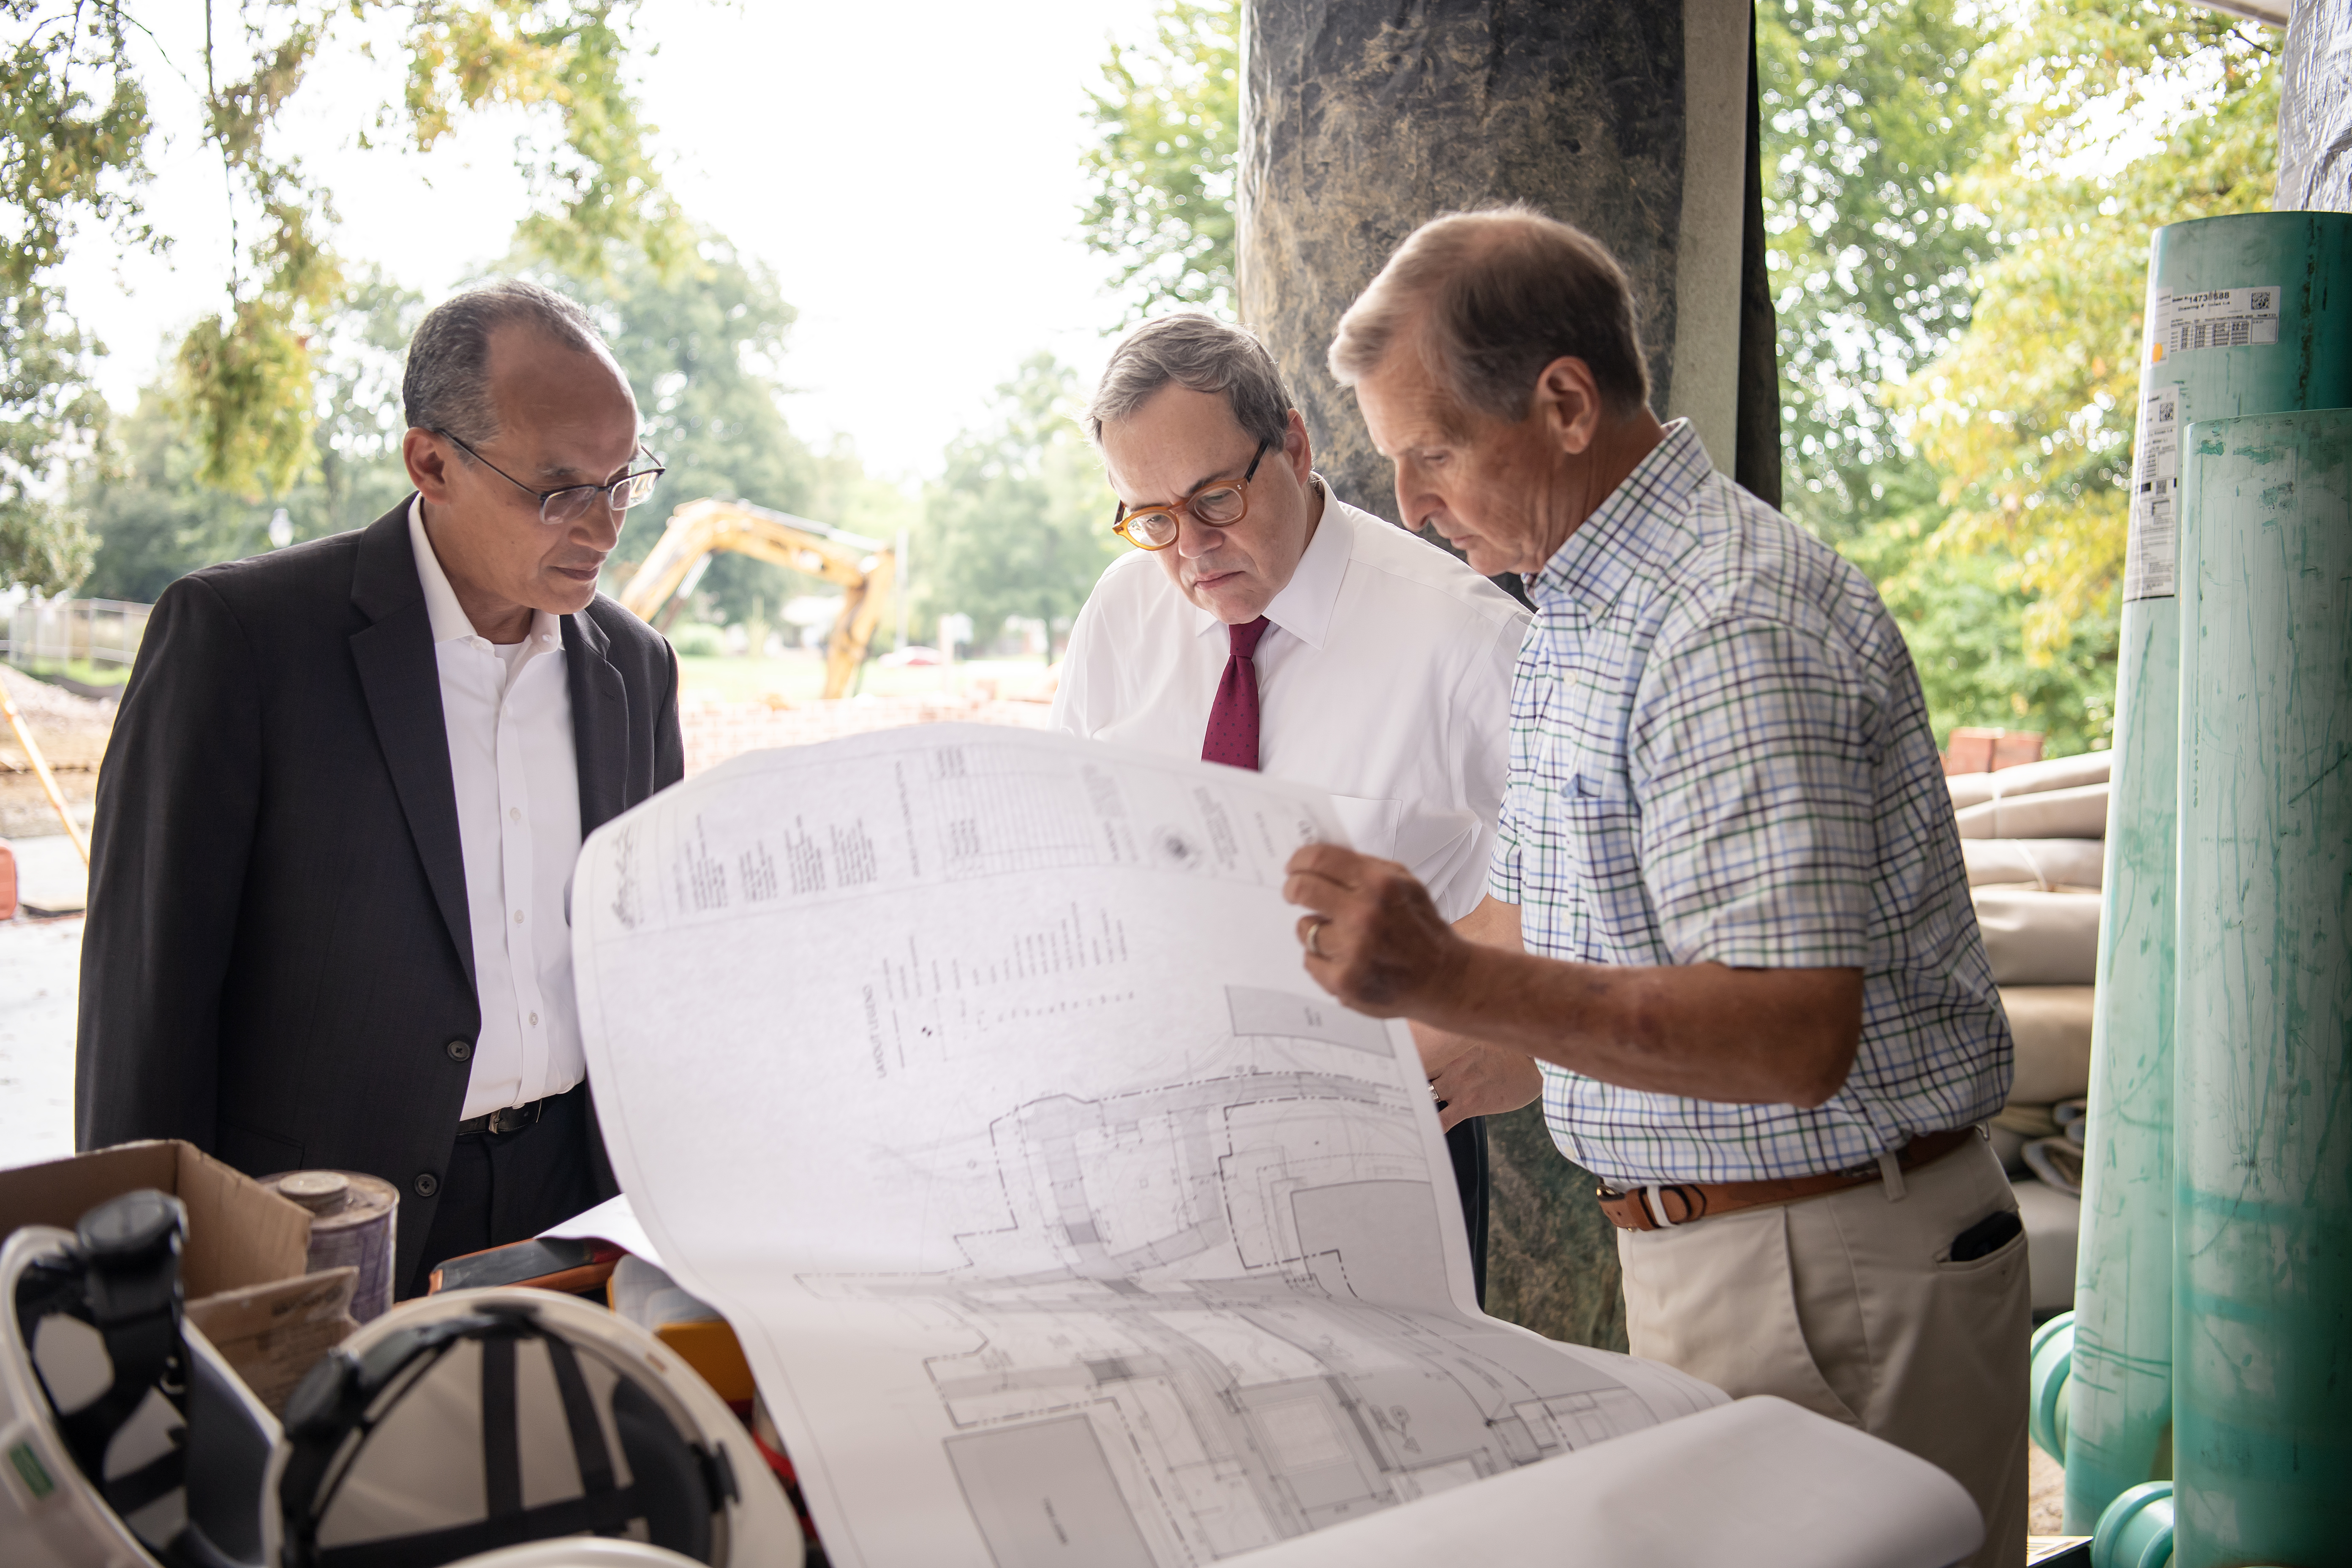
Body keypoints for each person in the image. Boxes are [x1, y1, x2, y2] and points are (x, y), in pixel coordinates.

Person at [1282, 209, 2027, 1564]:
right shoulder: (1578, 609)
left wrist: (1445, 976)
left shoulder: (1723, 622)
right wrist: (1354, 1066)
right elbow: (1550, 925)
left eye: (1432, 451)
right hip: (1735, 1252)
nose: (1413, 507)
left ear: (1564, 402)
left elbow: (1790, 1035)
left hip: (1825, 1260)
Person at [78, 279, 683, 1299]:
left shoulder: (637, 668)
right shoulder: (243, 642)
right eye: (561, 488)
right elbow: (150, 1002)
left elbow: (649, 964)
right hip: (321, 1216)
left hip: (573, 1202)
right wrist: (137, 1286)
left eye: (625, 481)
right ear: (430, 462)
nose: (604, 525)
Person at [1052, 312, 1537, 1304]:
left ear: (1297, 443)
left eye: (1214, 499)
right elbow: (1067, 852)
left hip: (1384, 1136)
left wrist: (1528, 1039)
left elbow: (1612, 873)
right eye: (1150, 518)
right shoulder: (1120, 614)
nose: (1189, 550)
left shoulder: (1463, 638)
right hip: (1160, 1133)